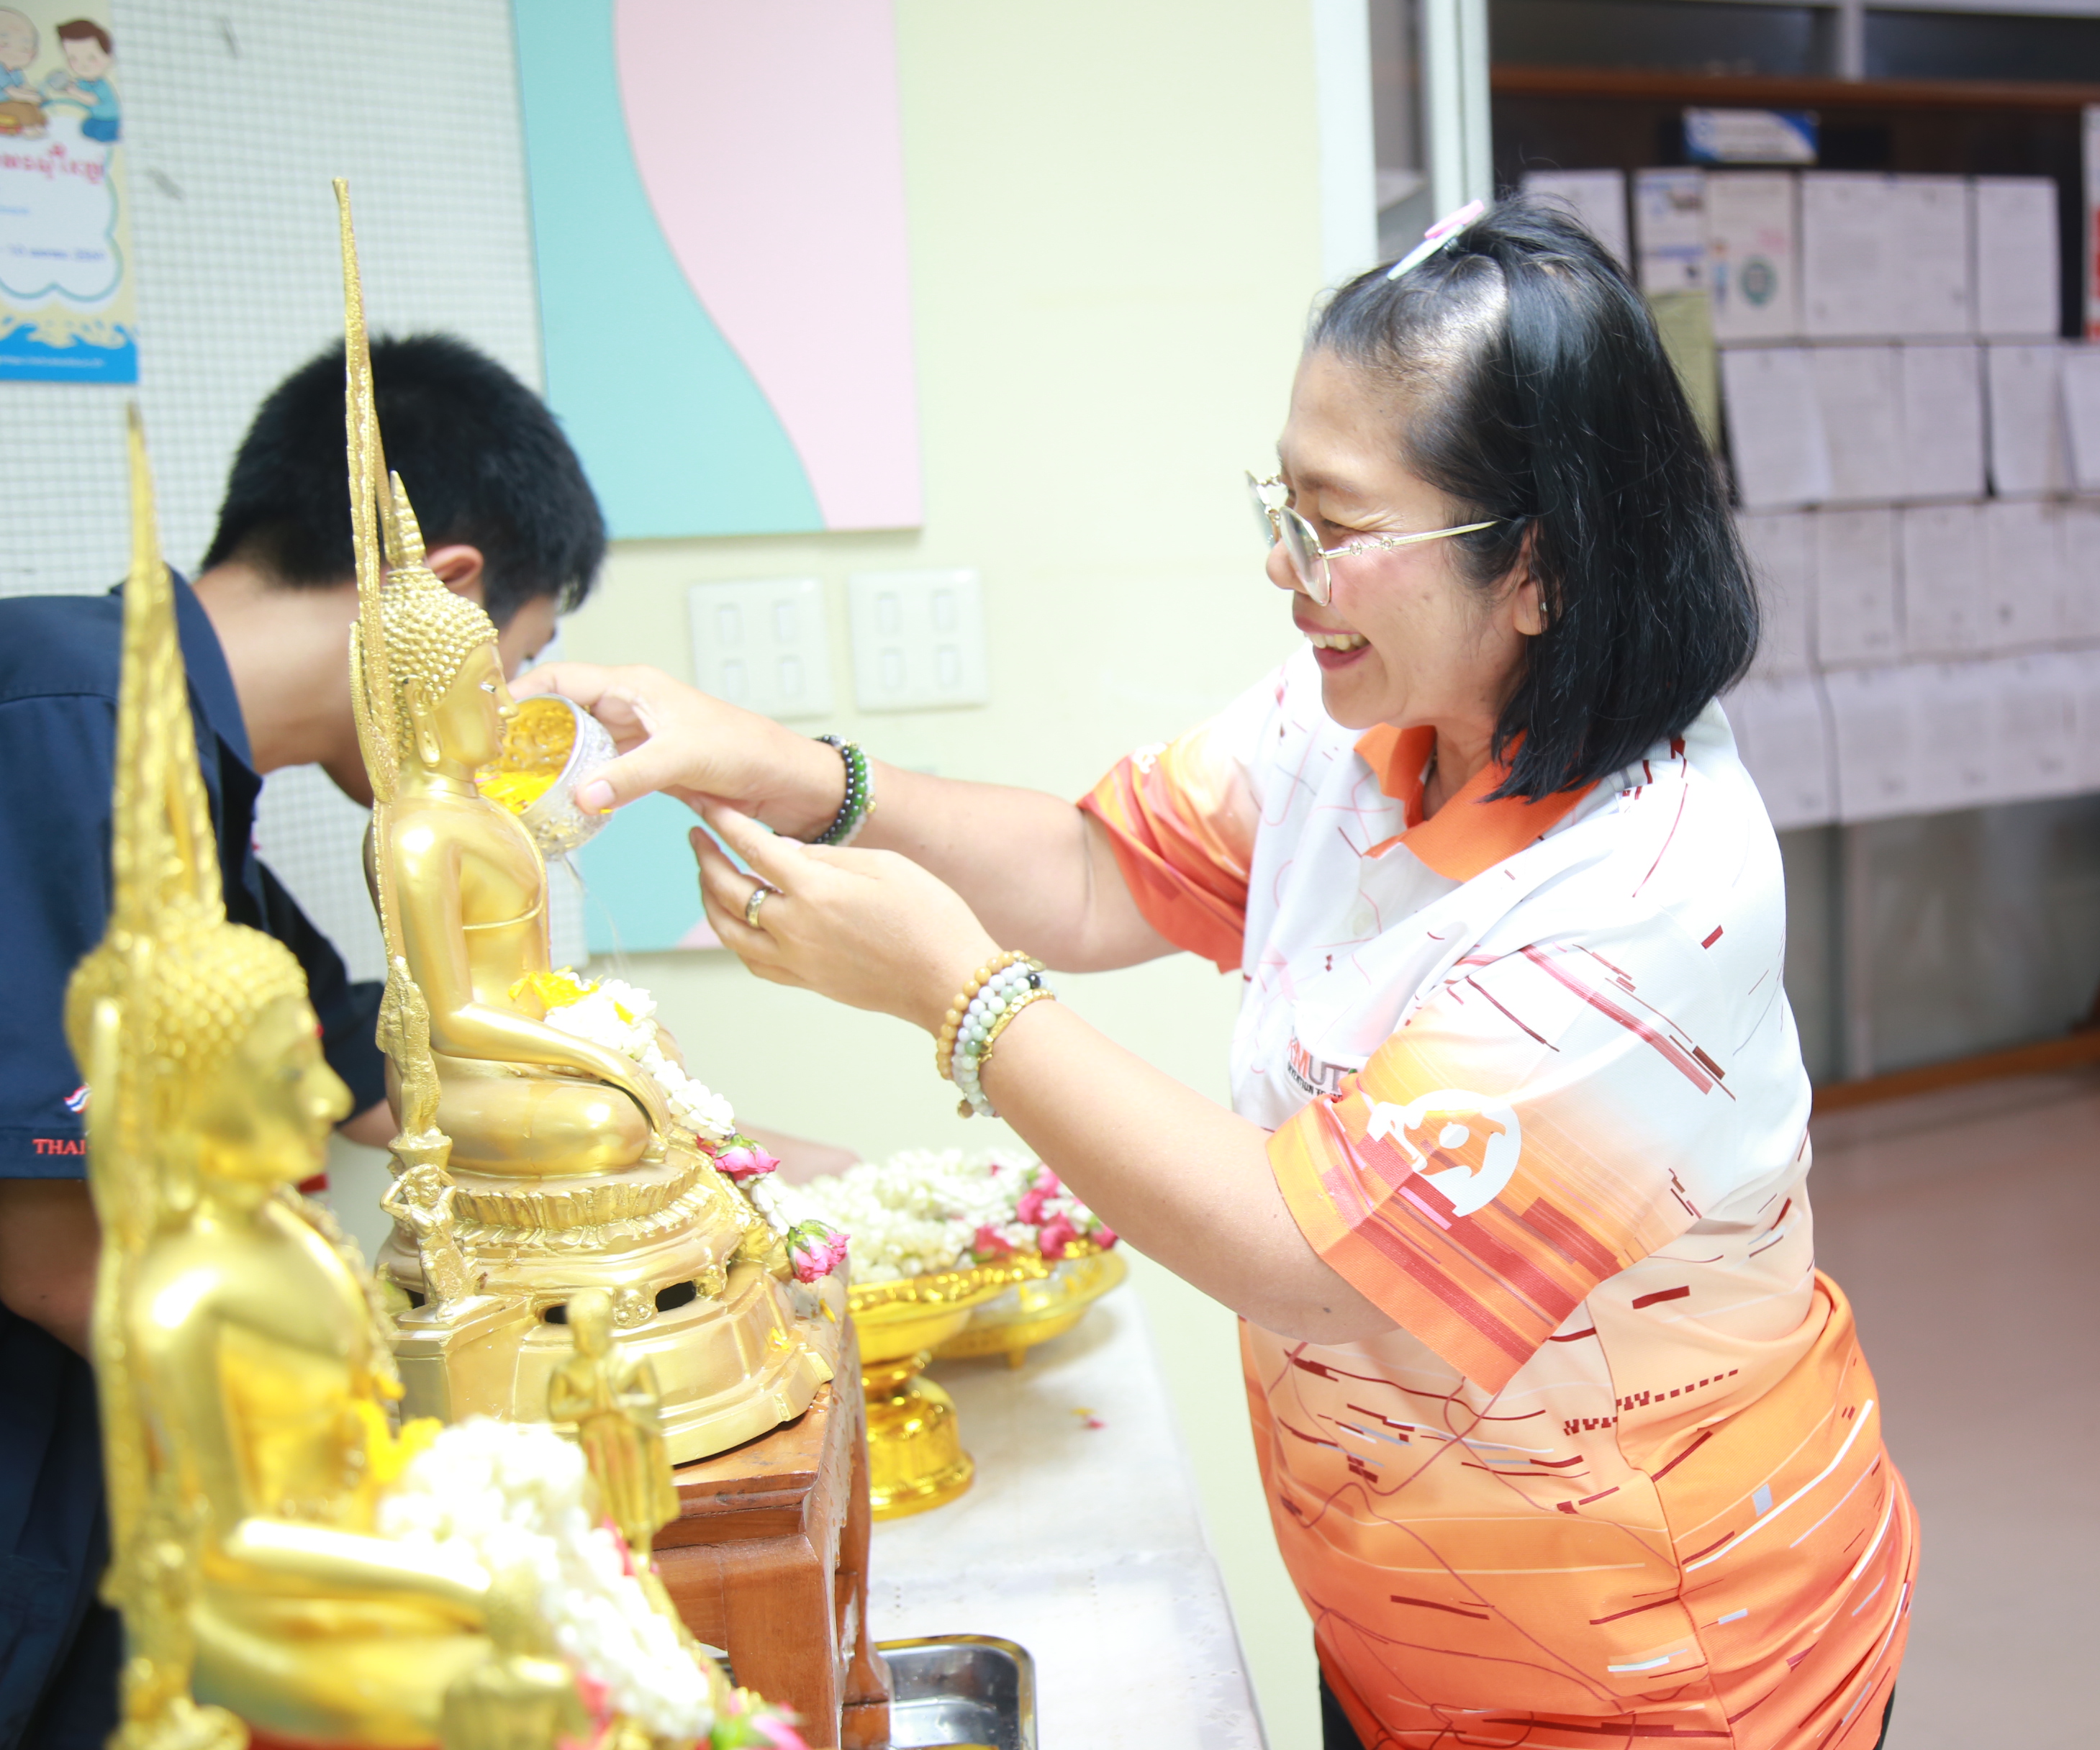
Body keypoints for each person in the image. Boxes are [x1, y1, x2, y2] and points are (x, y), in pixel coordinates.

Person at [527, 200, 1916, 1750]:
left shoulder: (1652, 893)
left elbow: (1305, 1253)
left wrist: (955, 997)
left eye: (1335, 524)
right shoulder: (1359, 715)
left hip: (1664, 1670)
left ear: (1537, 564)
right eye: (1282, 502)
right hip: (1409, 1629)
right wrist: (799, 774)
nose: (1283, 565)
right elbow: (1098, 870)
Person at [0, 333, 604, 1750]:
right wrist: (412, 1483)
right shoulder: (68, 720)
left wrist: (719, 1151)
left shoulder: (185, 770)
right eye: (514, 663)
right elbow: (56, 1252)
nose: (496, 721)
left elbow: (386, 1074)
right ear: (446, 586)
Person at [41, 19, 114, 143]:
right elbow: (76, 85)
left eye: (92, 58)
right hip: (97, 117)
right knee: (86, 130)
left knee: (102, 135)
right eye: (73, 59)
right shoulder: (84, 81)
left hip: (110, 118)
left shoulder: (101, 85)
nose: (83, 65)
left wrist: (74, 92)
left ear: (109, 56)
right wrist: (66, 87)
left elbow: (92, 100)